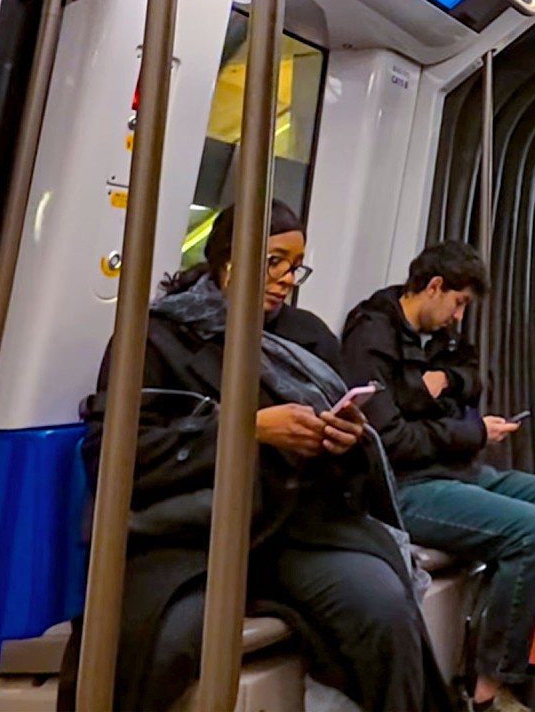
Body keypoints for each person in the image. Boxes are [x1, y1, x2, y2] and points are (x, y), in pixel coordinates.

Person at [60, 201, 447, 712]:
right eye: (274, 262)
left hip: (294, 530)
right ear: (228, 257)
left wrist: (343, 443)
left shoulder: (306, 336)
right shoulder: (157, 337)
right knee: (158, 643)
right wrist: (246, 429)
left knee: (383, 605)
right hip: (189, 536)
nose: (287, 278)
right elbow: (115, 454)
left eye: (295, 265)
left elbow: (353, 473)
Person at [340, 241, 535, 712]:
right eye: (459, 303)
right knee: (533, 531)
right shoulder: (371, 336)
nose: (459, 316)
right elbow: (391, 439)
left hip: (461, 471)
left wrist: (440, 384)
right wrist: (469, 431)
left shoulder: (439, 336)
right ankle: (488, 688)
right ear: (435, 286)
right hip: (406, 487)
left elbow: (472, 375)